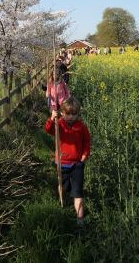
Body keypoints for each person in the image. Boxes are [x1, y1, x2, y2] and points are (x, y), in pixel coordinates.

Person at [45, 97, 91, 230]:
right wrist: (52, 118)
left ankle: (80, 219)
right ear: (62, 112)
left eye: (74, 114)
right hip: (62, 163)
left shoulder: (81, 126)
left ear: (77, 114)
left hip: (77, 164)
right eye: (67, 113)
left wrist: (85, 154)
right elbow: (48, 130)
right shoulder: (59, 124)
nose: (70, 117)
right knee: (63, 187)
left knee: (78, 192)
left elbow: (86, 141)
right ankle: (62, 200)